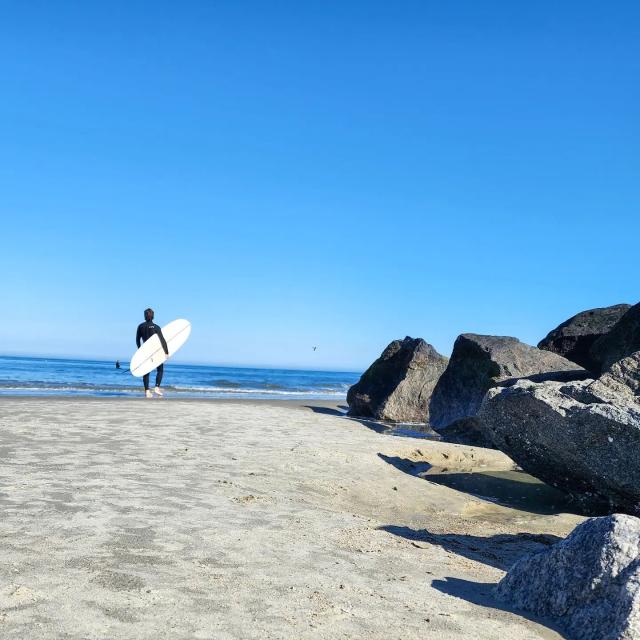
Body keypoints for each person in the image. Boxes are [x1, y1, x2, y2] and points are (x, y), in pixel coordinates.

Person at [136, 308, 169, 398]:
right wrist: (166, 352)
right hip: (155, 351)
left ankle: (147, 391)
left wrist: (140, 350)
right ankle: (157, 387)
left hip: (145, 351)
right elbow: (162, 340)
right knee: (160, 369)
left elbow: (137, 340)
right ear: (153, 316)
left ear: (144, 316)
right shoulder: (156, 327)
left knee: (146, 371)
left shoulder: (140, 326)